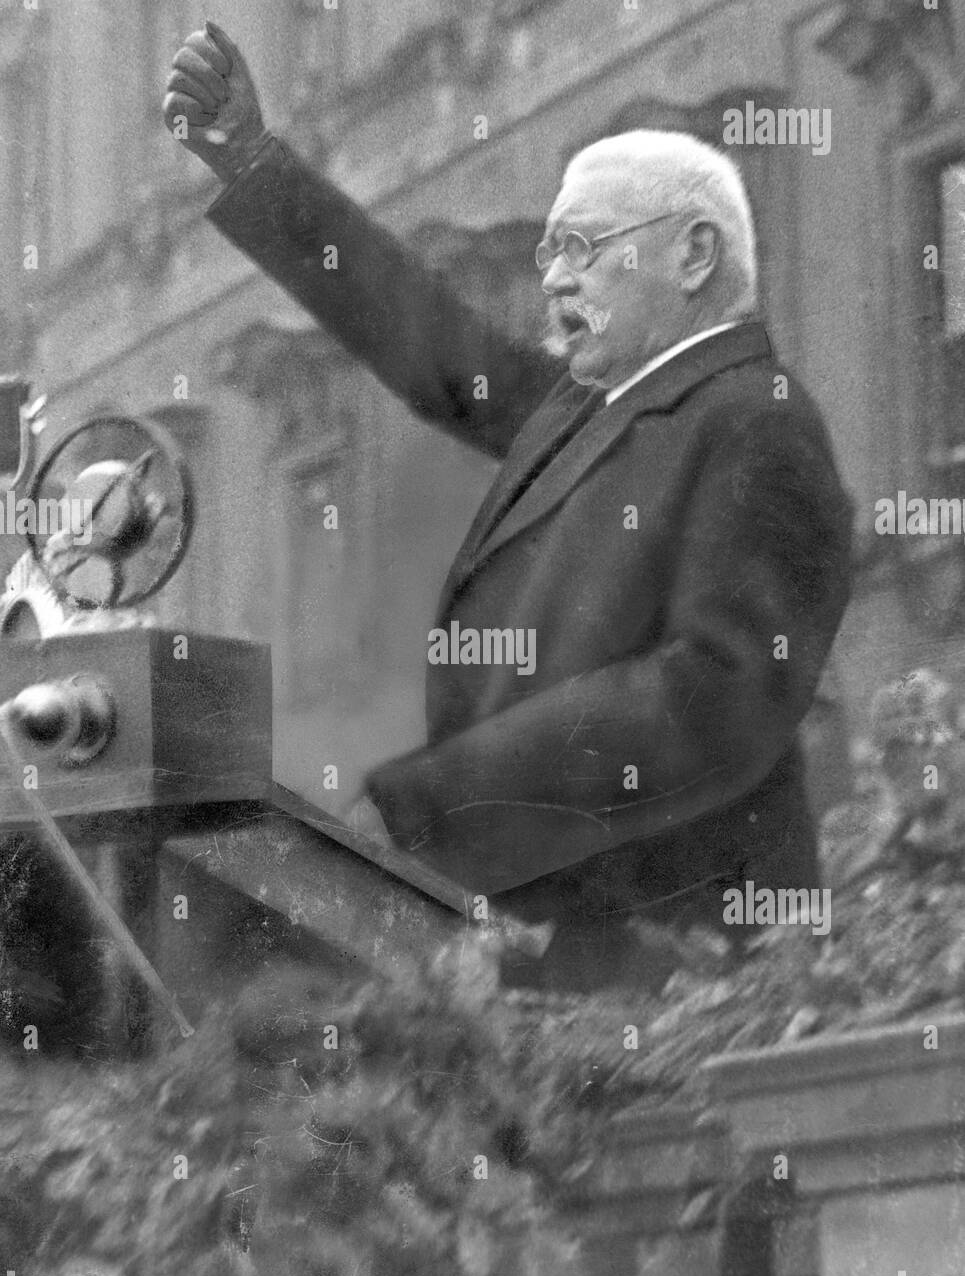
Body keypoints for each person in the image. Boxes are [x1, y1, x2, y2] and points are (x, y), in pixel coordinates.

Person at [163, 22, 854, 991]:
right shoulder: (597, 409)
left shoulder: (753, 424)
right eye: (545, 251)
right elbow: (435, 348)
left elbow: (712, 697)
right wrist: (255, 164)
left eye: (581, 246)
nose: (553, 276)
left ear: (695, 256)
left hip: (679, 976)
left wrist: (433, 805)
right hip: (564, 951)